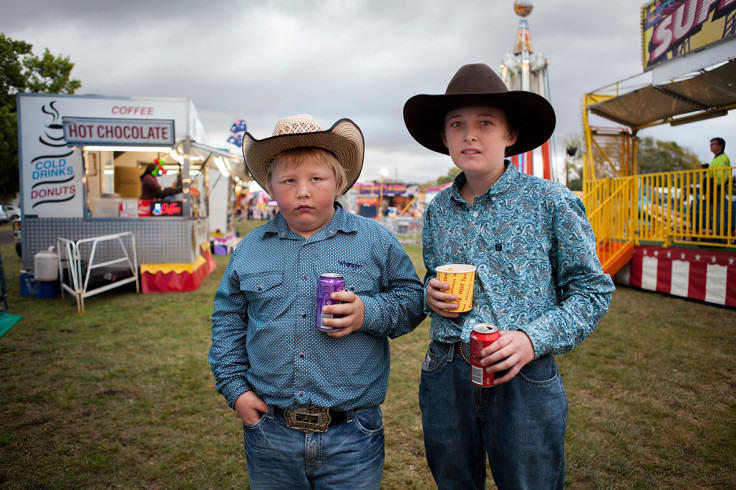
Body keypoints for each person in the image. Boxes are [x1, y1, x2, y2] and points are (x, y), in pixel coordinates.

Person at [403, 63, 615, 489]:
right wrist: (431, 294)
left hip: (525, 374)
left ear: (510, 134)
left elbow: (592, 291)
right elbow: (432, 277)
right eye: (457, 125)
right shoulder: (438, 209)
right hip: (447, 372)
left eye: (485, 123)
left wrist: (531, 339)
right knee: (453, 481)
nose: (470, 135)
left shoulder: (550, 201)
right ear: (444, 139)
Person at [209, 114, 425, 489]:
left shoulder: (375, 241)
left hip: (352, 432)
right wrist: (235, 390)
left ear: (338, 183)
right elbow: (228, 322)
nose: (303, 191)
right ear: (271, 188)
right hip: (270, 430)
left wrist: (366, 313)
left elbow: (412, 301)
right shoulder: (249, 251)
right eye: (289, 181)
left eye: (316, 179)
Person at [707, 137, 731, 235]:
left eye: (713, 144)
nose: (711, 146)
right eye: (710, 144)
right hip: (714, 188)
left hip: (718, 188)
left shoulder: (723, 158)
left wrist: (715, 187)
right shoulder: (716, 158)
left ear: (721, 146)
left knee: (717, 213)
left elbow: (721, 175)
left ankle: (719, 236)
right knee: (714, 213)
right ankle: (716, 235)